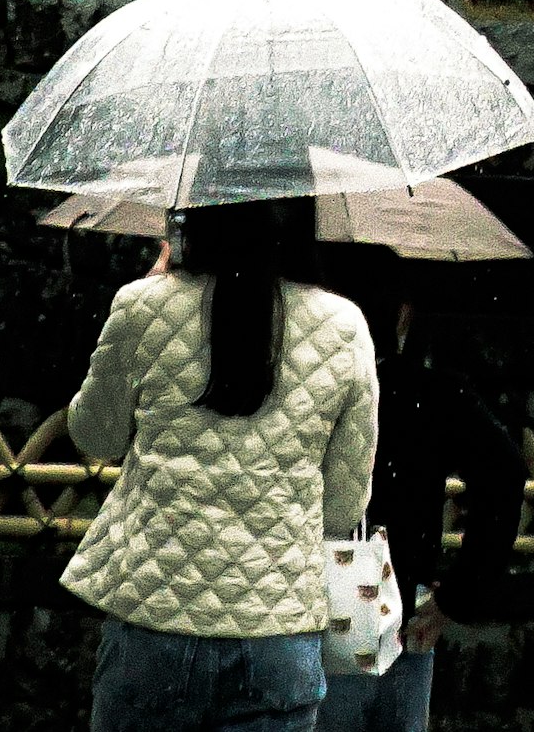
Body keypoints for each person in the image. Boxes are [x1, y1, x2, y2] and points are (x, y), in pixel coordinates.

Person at [65, 197, 381, 732]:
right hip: (277, 634)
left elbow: (95, 435)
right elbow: (341, 509)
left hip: (154, 618)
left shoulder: (143, 306)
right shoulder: (344, 326)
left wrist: (154, 285)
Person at [308, 245, 525, 732]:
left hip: (310, 607)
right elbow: (505, 474)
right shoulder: (433, 395)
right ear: (402, 316)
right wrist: (458, 596)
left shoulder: (306, 390)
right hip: (399, 609)